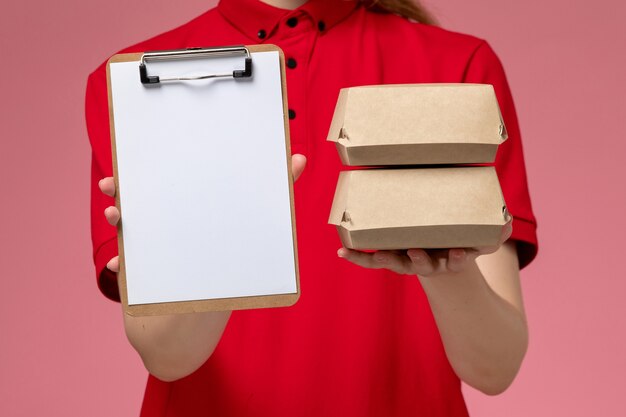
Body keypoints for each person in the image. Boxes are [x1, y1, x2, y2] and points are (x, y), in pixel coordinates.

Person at [86, 0, 538, 415]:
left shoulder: (459, 65)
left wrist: (450, 268)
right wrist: (231, 222)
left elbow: (495, 369)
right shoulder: (137, 80)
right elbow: (166, 356)